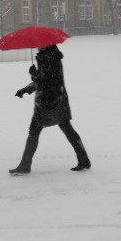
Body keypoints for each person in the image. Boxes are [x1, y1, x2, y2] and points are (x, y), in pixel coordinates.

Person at [10, 44, 90, 174]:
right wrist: (26, 89)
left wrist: (34, 74)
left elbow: (45, 81)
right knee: (68, 131)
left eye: (39, 45)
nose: (36, 46)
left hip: (48, 103)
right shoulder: (52, 56)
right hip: (58, 101)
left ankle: (25, 166)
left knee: (34, 132)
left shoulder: (46, 58)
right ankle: (84, 160)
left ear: (44, 45)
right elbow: (47, 79)